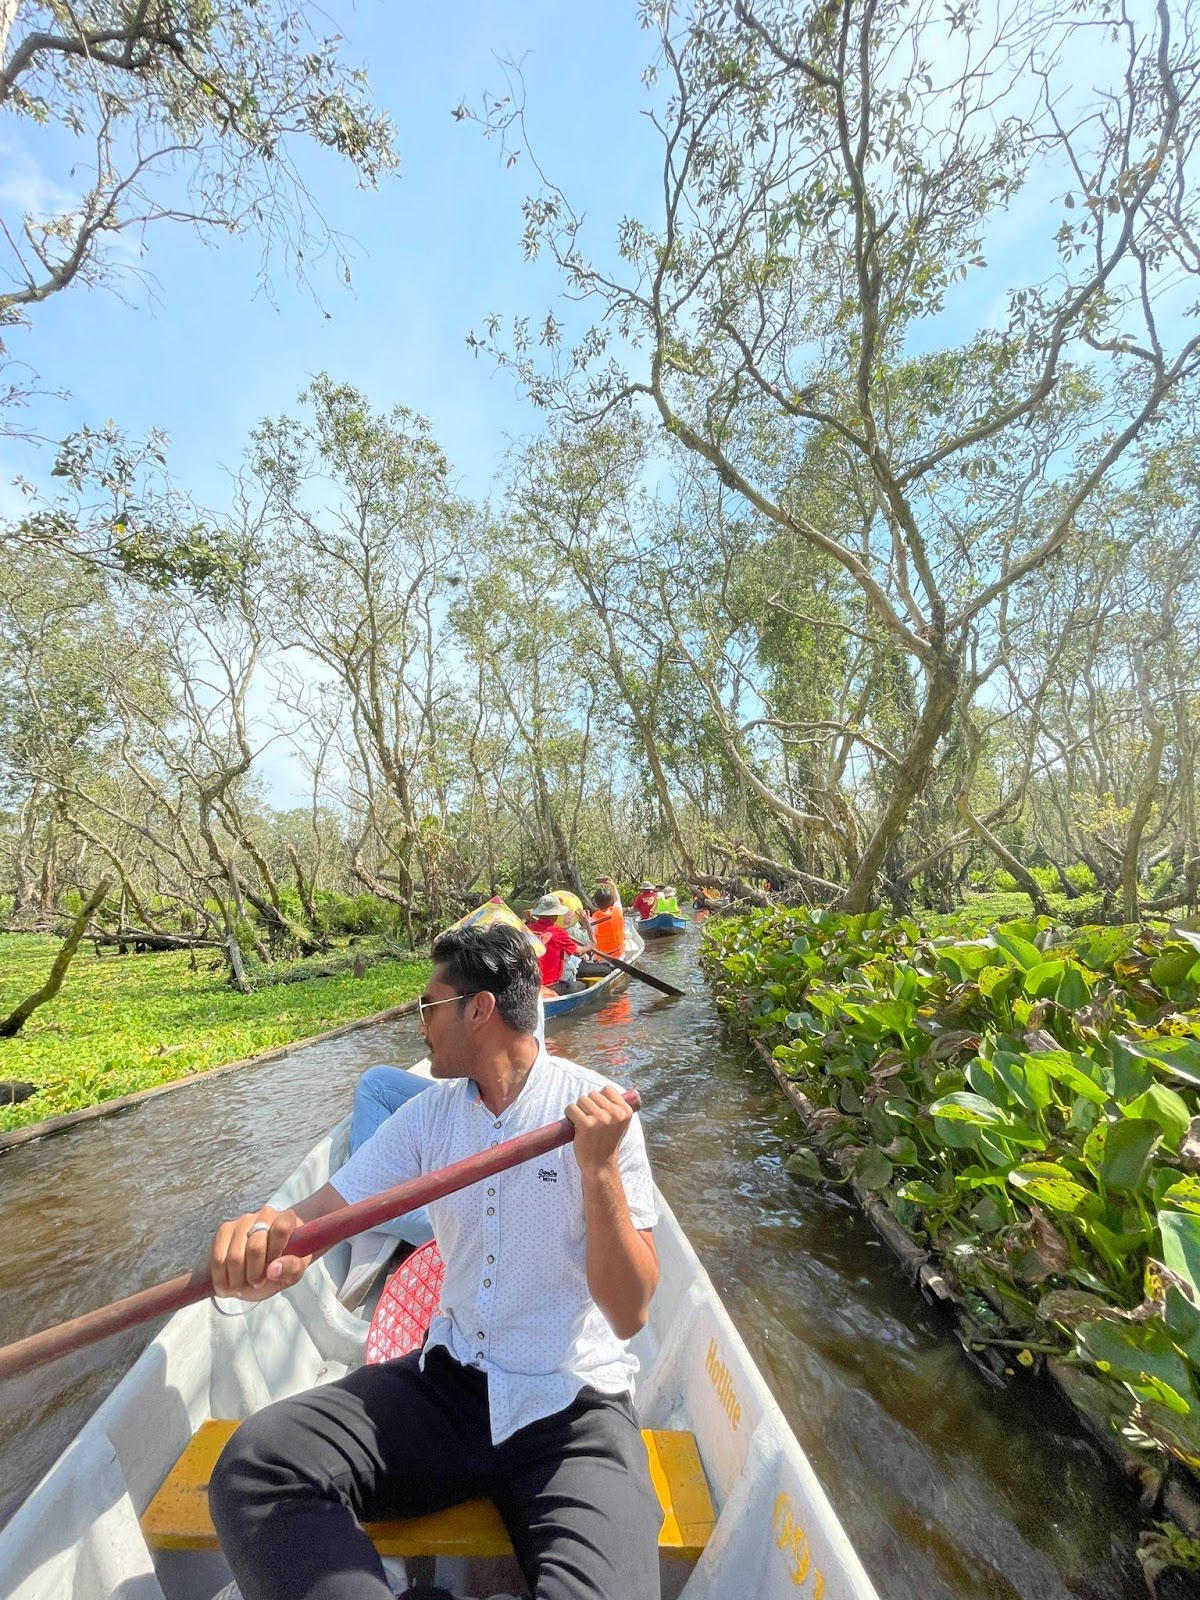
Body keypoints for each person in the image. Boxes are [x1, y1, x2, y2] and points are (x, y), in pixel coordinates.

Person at [207, 922, 662, 1600]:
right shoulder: (428, 1120)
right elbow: (314, 1220)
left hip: (570, 1408)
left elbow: (629, 1314)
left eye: (428, 1007)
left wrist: (597, 1172)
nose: (418, 1023)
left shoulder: (594, 1114)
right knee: (256, 1467)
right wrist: (268, 1245)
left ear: (478, 1011)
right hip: (451, 1386)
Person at [526, 893, 587, 994]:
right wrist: (588, 947)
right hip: (551, 984)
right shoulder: (558, 932)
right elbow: (579, 952)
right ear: (555, 915)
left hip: (532, 983)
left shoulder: (527, 929)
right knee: (582, 985)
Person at [589, 888, 625, 963]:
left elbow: (592, 940)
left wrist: (586, 923)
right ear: (610, 901)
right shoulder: (617, 910)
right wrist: (612, 885)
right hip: (620, 955)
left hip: (602, 958)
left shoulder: (594, 918)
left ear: (596, 903)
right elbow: (617, 898)